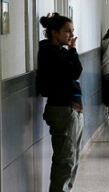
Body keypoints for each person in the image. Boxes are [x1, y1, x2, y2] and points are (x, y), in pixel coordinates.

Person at [37, 13, 84, 192]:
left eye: (72, 31)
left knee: (72, 158)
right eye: (67, 31)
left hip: (72, 108)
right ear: (54, 32)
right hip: (63, 109)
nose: (71, 35)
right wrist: (73, 50)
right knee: (65, 160)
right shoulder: (49, 52)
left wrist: (70, 51)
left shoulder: (60, 51)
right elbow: (75, 71)